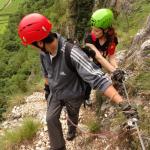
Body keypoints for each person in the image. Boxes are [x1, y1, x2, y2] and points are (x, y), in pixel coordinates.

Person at [18, 13, 138, 150]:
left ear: (40, 42)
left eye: (32, 45)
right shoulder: (43, 53)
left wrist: (123, 104)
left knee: (72, 115)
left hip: (73, 95)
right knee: (50, 119)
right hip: (55, 93)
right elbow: (47, 72)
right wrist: (47, 90)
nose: (33, 49)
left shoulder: (71, 53)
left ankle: (72, 130)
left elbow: (98, 78)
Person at [84, 8, 125, 106]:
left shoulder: (112, 40)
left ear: (106, 30)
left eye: (97, 30)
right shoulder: (90, 39)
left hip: (97, 63)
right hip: (86, 61)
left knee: (93, 80)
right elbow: (98, 56)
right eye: (92, 29)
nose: (93, 32)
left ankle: (87, 97)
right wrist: (113, 71)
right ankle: (84, 98)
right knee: (85, 80)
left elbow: (111, 57)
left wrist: (117, 70)